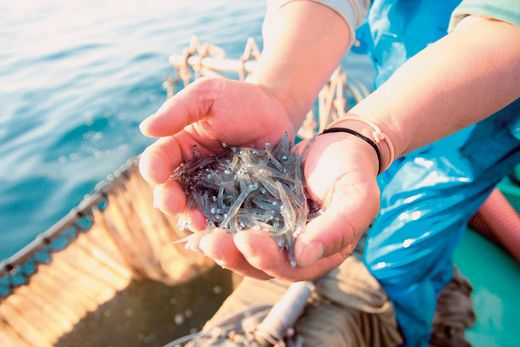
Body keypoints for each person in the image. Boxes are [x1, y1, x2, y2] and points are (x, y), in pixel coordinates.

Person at [139, 0, 520, 345]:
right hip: (400, 64)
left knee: (403, 257)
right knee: (376, 183)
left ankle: (407, 328)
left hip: (490, 102)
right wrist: (278, 93)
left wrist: (371, 132)